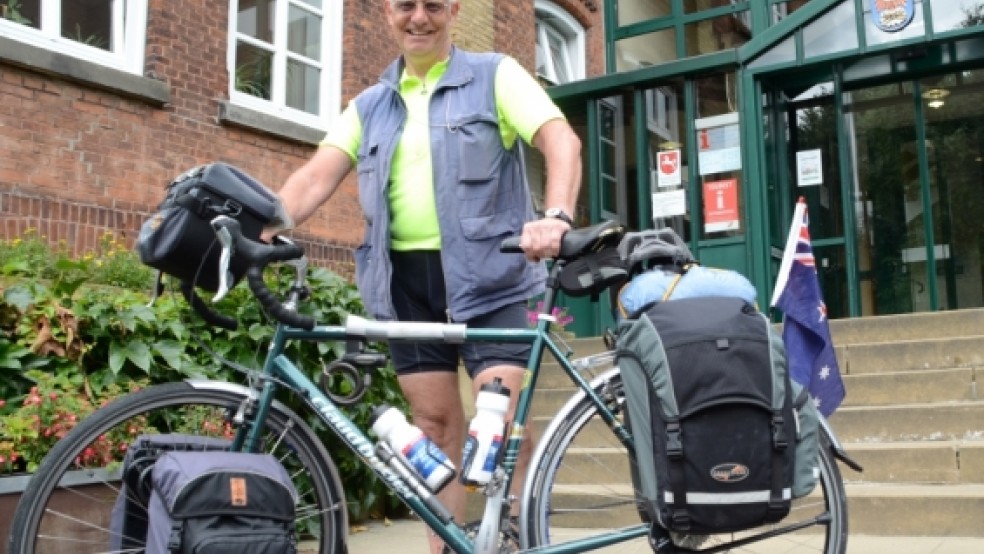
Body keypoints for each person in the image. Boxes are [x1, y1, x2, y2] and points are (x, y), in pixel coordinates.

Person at [273, 1, 581, 551]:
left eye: (432, 5)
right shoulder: (370, 105)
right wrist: (262, 225)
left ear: (453, 10)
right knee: (435, 427)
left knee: (501, 425)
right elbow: (317, 175)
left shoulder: (495, 75)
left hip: (493, 275)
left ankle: (516, 535)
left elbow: (561, 140)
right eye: (405, 5)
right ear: (386, 12)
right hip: (405, 283)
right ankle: (448, 547)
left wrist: (556, 216)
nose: (419, 17)